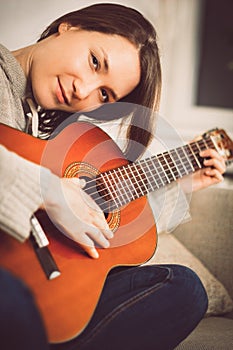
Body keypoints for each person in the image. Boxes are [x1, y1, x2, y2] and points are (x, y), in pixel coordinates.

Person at [0, 3, 226, 350]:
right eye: (95, 61)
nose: (83, 90)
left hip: (29, 284)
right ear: (69, 26)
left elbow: (102, 227)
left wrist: (178, 185)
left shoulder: (50, 133)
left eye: (104, 94)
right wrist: (50, 191)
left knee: (182, 288)